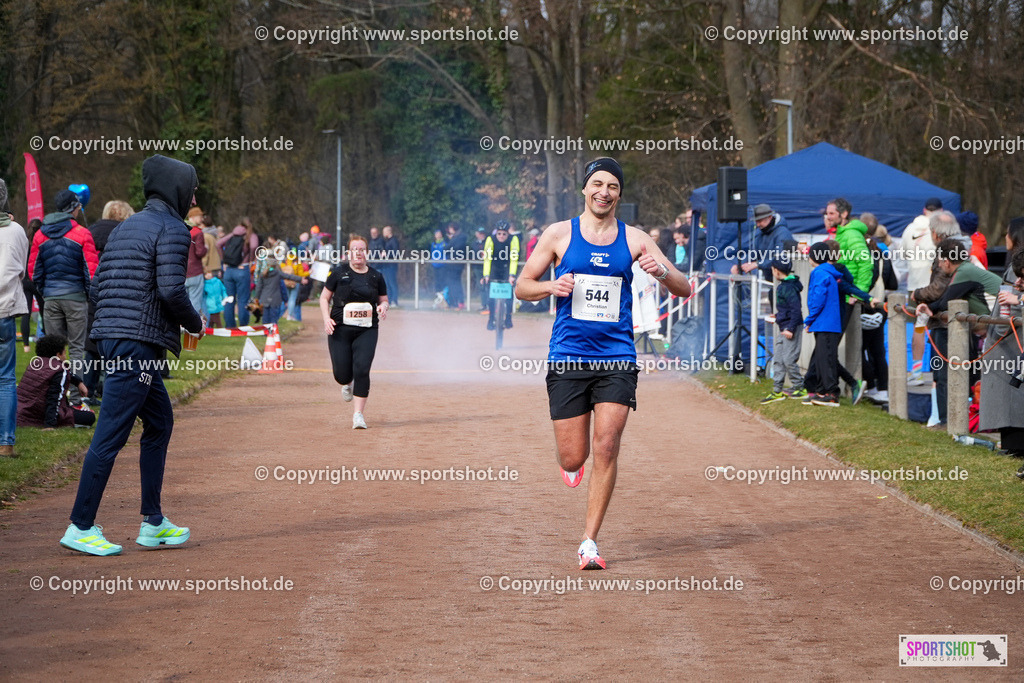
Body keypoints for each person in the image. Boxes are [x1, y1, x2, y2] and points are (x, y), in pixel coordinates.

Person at [514, 157, 691, 570]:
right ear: (584, 189)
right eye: (597, 184)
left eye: (612, 186)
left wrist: (661, 270)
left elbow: (683, 287)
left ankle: (589, 542)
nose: (604, 192)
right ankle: (571, 466)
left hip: (617, 357)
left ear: (619, 194)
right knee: (574, 457)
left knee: (607, 446)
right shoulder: (559, 234)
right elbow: (523, 286)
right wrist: (549, 287)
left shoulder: (635, 239)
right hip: (568, 357)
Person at [60, 154, 205, 556]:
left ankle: (154, 521)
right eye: (191, 187)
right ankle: (80, 525)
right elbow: (172, 291)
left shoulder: (125, 228)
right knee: (110, 434)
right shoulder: (175, 230)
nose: (194, 195)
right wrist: (195, 324)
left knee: (159, 422)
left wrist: (97, 344)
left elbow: (97, 287)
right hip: (135, 344)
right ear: (177, 188)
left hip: (113, 338)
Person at [916, 237, 1002, 429]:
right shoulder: (965, 269)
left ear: (946, 261)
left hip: (1001, 323)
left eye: (939, 261)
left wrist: (926, 307)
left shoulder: (965, 271)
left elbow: (946, 300)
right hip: (995, 325)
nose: (939, 265)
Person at [31, 189, 99, 405]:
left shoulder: (40, 235)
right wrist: (87, 296)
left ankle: (55, 400)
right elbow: (91, 271)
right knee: (77, 349)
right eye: (78, 207)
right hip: (76, 298)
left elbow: (34, 272)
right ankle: (77, 399)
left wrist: (46, 294)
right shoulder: (82, 233)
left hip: (51, 298)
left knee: (52, 353)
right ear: (73, 208)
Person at [320, 235, 388, 430]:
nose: (358, 253)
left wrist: (383, 307)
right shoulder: (338, 273)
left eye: (361, 249)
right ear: (348, 253)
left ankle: (358, 415)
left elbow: (384, 300)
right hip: (339, 329)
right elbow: (324, 298)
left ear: (366, 253)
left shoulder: (376, 276)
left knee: (362, 369)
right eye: (354, 249)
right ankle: (346, 382)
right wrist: (326, 319)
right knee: (341, 375)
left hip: (367, 329)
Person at [981, 218, 1024, 468]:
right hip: (1010, 338)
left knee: (1011, 395)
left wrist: (997, 332)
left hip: (1010, 341)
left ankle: (1015, 445)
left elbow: (1008, 307)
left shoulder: (1014, 269)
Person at [899, 198, 942, 384]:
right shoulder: (941, 228)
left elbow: (903, 255)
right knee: (940, 328)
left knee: (919, 328)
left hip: (915, 287)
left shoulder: (910, 229)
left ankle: (916, 371)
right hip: (936, 287)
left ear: (924, 210)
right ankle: (939, 373)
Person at [0, 180, 29, 457]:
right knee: (6, 379)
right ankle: (6, 444)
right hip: (5, 309)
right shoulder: (17, 230)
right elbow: (21, 271)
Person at [17, 334, 95, 429]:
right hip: (40, 414)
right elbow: (54, 398)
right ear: (58, 355)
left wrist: (78, 382)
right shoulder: (59, 370)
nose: (65, 356)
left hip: (20, 412)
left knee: (73, 409)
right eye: (64, 352)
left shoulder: (35, 363)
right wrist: (50, 425)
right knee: (90, 416)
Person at [801, 242, 844, 407]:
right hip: (826, 323)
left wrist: (809, 319)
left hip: (824, 323)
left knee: (825, 359)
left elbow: (818, 297)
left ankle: (831, 394)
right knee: (822, 358)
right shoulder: (827, 272)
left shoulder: (819, 273)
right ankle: (821, 392)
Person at [760, 258, 805, 403]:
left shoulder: (789, 287)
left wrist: (791, 328)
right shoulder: (784, 285)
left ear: (776, 271)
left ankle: (800, 387)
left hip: (790, 328)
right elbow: (788, 309)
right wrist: (778, 316)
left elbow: (796, 310)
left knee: (788, 359)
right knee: (778, 359)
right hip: (783, 327)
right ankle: (777, 390)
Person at [733, 203, 793, 282]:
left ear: (770, 217)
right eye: (756, 221)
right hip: (772, 280)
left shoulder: (783, 233)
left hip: (783, 281)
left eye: (760, 221)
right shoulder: (762, 232)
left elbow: (780, 259)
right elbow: (754, 253)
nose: (758, 224)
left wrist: (757, 264)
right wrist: (740, 265)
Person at [217, 218, 259, 327]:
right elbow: (254, 246)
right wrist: (251, 258)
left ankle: (230, 326)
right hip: (242, 269)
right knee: (243, 299)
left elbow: (218, 244)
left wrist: (224, 261)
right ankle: (243, 325)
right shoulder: (251, 235)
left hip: (229, 271)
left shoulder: (233, 234)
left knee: (229, 299)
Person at [482, 221, 520, 330]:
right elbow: (487, 259)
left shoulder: (513, 239)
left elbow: (514, 259)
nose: (501, 236)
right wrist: (486, 275)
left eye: (504, 234)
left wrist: (512, 275)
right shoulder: (490, 239)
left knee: (509, 295)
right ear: (496, 233)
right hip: (494, 267)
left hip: (507, 268)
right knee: (491, 297)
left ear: (508, 233)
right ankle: (491, 319)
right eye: (499, 234)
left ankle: (508, 317)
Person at [184, 207, 208, 316]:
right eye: (200, 216)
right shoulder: (197, 232)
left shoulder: (182, 228)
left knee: (183, 303)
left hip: (182, 271)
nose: (202, 218)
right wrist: (206, 248)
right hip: (195, 271)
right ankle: (193, 331)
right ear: (193, 217)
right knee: (195, 303)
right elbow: (199, 252)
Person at [446, 222, 469, 309]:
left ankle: (459, 302)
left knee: (456, 284)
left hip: (456, 265)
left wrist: (450, 242)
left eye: (450, 228)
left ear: (453, 228)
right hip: (453, 264)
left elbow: (449, 248)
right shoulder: (456, 238)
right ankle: (455, 302)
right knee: (453, 283)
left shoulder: (459, 238)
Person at [381, 225, 401, 306]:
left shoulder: (394, 241)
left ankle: (394, 300)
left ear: (388, 232)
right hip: (386, 265)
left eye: (384, 232)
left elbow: (396, 253)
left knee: (392, 283)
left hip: (391, 265)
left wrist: (387, 254)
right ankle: (389, 300)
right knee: (388, 284)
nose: (383, 234)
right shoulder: (387, 241)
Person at [429, 229, 448, 305]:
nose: (438, 235)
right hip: (435, 265)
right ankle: (438, 298)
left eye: (439, 234)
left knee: (443, 281)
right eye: (436, 234)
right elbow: (432, 253)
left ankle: (444, 299)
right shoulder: (433, 244)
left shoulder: (444, 243)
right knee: (437, 282)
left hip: (443, 265)